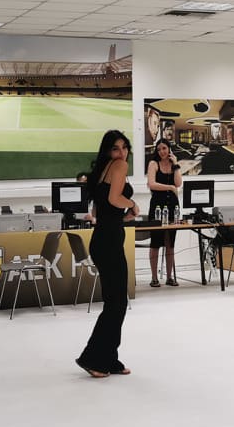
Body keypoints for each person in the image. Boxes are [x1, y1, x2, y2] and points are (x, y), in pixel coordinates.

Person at [76, 130, 139, 379]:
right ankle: (93, 358)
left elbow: (102, 212)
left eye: (124, 147)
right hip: (109, 242)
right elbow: (114, 199)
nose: (121, 153)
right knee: (117, 303)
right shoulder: (119, 166)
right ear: (107, 151)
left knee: (116, 302)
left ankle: (109, 359)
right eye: (115, 148)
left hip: (104, 238)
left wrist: (125, 216)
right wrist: (133, 204)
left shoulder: (103, 170)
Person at [145, 141, 183, 287]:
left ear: (169, 149)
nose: (162, 151)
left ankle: (169, 277)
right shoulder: (153, 164)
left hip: (173, 207)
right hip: (157, 207)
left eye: (164, 148)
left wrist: (176, 165)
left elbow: (178, 183)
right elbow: (152, 184)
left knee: (170, 244)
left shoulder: (173, 164)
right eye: (159, 149)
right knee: (155, 243)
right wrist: (170, 187)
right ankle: (154, 278)